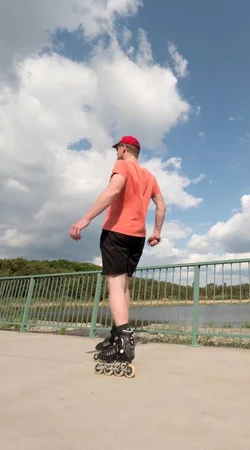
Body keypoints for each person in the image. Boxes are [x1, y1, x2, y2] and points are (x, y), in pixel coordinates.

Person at [69, 135, 166, 367]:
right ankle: (116, 334)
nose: (116, 153)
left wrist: (85, 218)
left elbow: (114, 190)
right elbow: (161, 205)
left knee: (114, 285)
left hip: (116, 232)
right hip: (138, 237)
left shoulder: (122, 165)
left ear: (124, 148)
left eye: (117, 149)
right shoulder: (150, 176)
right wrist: (156, 232)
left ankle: (124, 342)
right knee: (123, 287)